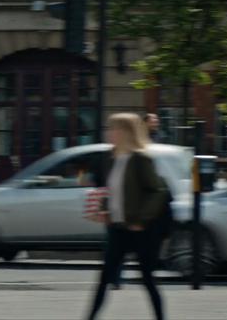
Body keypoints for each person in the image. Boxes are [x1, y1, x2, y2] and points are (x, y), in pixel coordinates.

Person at [87, 113, 168, 320]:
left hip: (140, 230)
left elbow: (157, 191)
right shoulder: (110, 158)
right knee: (104, 279)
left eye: (114, 129)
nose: (110, 133)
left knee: (148, 279)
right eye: (109, 128)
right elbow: (112, 190)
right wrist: (105, 210)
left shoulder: (140, 159)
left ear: (126, 133)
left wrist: (141, 220)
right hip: (118, 228)